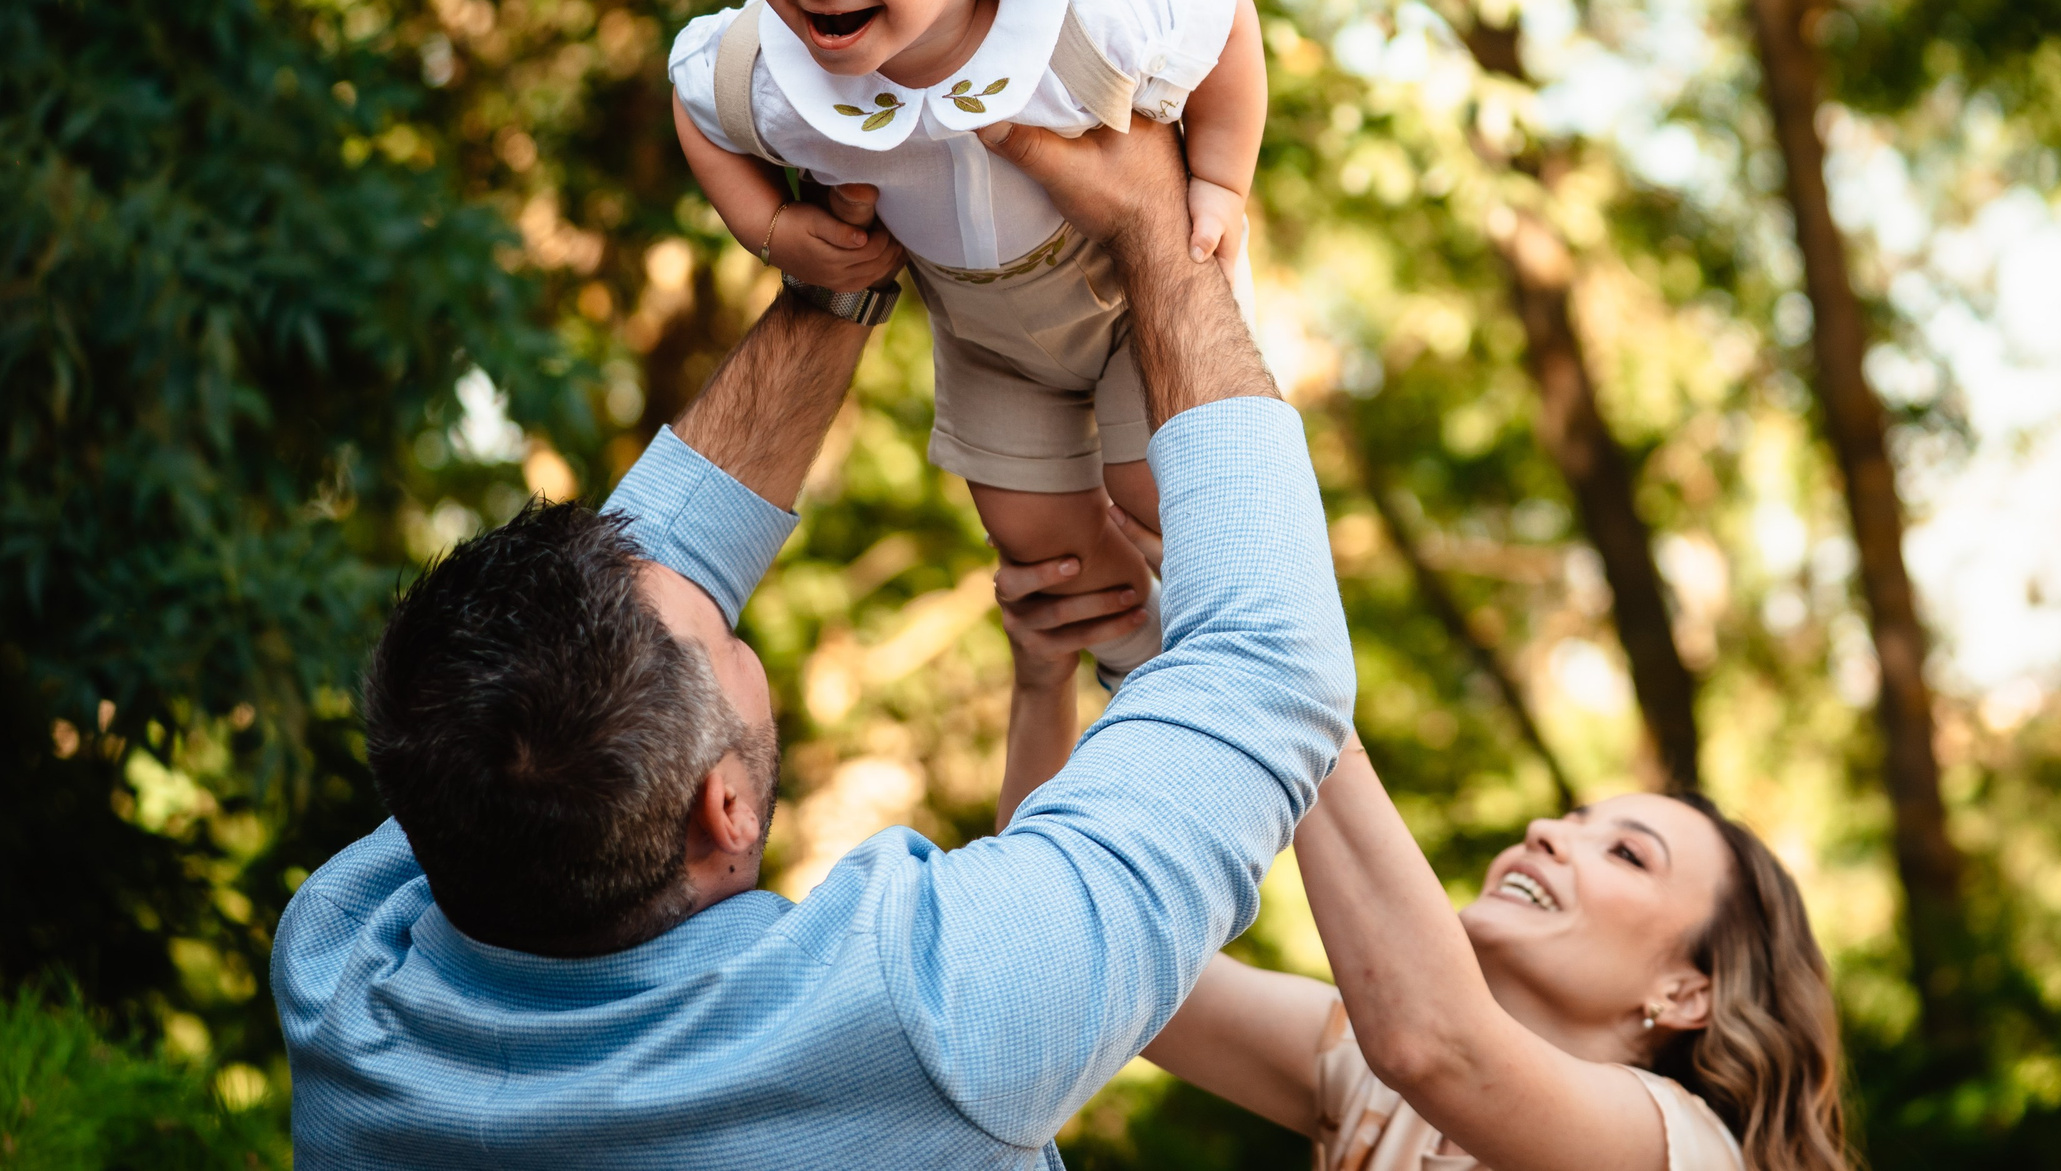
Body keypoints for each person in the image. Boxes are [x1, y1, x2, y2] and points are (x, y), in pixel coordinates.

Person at [271, 116, 1353, 1169]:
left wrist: (844, 274)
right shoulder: (923, 1022)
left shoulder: (350, 971)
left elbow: (655, 569)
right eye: (726, 634)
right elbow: (1262, 662)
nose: (715, 592)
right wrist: (1159, 233)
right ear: (725, 811)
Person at [668, 0, 1267, 682]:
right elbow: (698, 100)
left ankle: (1260, 669)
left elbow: (1225, 21)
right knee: (1039, 542)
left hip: (1132, 300)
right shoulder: (774, 73)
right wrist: (769, 227)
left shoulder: (1084, 17)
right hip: (988, 339)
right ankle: (1146, 670)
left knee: (1159, 489)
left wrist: (1220, 182)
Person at [996, 523, 1851, 1171]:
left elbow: (1436, 1044)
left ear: (1687, 991)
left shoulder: (1683, 1148)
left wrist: (1271, 646)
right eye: (1571, 818)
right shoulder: (1368, 1072)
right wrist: (1047, 676)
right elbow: (1078, 956)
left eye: (1627, 853)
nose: (1548, 831)